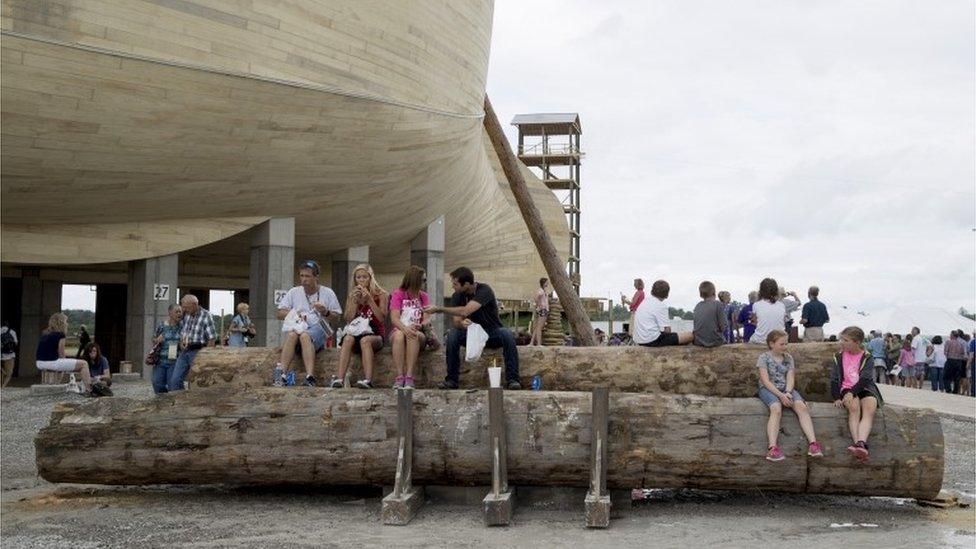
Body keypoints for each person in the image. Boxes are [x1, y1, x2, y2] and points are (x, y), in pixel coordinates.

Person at [425, 267, 521, 390]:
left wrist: (438, 309)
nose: (453, 287)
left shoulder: (484, 290)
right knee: (452, 334)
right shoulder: (457, 296)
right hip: (471, 335)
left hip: (491, 333)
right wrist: (462, 324)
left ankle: (513, 379)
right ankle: (451, 380)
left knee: (507, 334)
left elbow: (465, 310)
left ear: (466, 284)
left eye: (455, 284)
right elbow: (456, 322)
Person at [272, 260, 342, 387]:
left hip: (318, 331)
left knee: (305, 336)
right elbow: (279, 313)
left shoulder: (327, 293)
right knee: (292, 334)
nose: (304, 279)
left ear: (316, 277)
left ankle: (310, 376)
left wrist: (325, 312)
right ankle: (282, 374)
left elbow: (337, 317)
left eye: (307, 276)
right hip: (299, 328)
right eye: (301, 276)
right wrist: (294, 313)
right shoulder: (294, 292)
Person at [756, 330, 823, 461]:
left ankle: (813, 444)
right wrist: (781, 396)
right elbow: (765, 380)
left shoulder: (788, 358)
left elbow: (790, 377)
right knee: (776, 409)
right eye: (782, 344)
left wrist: (787, 392)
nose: (785, 347)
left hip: (786, 388)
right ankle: (772, 448)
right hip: (769, 389)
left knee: (802, 407)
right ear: (771, 344)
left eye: (786, 344)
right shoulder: (763, 357)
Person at [831, 326, 883, 462]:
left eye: (846, 340)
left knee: (870, 406)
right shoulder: (838, 356)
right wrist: (837, 396)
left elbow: (865, 378)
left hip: (864, 387)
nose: (842, 342)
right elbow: (834, 379)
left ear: (857, 342)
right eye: (842, 339)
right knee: (854, 408)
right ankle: (857, 443)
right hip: (847, 387)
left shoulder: (867, 357)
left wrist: (853, 393)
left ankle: (861, 442)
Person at [333, 264, 388, 389]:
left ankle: (368, 380)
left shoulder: (381, 294)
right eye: (358, 277)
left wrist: (369, 300)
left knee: (365, 341)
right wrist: (353, 302)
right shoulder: (353, 295)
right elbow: (348, 320)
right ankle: (339, 379)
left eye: (365, 277)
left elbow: (382, 318)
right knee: (347, 339)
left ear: (371, 278)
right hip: (356, 332)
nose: (362, 280)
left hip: (375, 333)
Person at [390, 266, 430, 389]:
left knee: (413, 335)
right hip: (401, 329)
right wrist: (405, 328)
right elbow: (394, 318)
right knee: (399, 335)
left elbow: (427, 318)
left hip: (418, 332)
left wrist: (419, 325)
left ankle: (409, 376)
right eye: (423, 280)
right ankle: (399, 376)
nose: (425, 283)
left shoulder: (423, 296)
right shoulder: (398, 294)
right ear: (415, 280)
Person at [35, 313, 93, 394]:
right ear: (61, 323)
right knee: (84, 364)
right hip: (51, 363)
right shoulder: (60, 335)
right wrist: (68, 366)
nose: (67, 323)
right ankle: (89, 390)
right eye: (66, 321)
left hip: (39, 362)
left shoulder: (45, 333)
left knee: (67, 364)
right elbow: (62, 355)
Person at [170, 294, 216, 392]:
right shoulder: (186, 315)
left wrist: (206, 357)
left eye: (186, 307)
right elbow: (181, 330)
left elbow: (212, 339)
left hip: (198, 352)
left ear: (195, 305)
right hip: (184, 351)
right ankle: (180, 402)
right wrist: (180, 342)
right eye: (183, 307)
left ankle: (196, 403)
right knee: (175, 380)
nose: (184, 310)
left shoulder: (206, 316)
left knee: (196, 381)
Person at [633, 280, 692, 347]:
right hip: (651, 341)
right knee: (689, 335)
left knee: (674, 335)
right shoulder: (661, 306)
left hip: (638, 340)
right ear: (667, 294)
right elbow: (667, 331)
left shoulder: (645, 301)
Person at [152, 304, 183, 394]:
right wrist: (157, 340)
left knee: (173, 385)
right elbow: (153, 339)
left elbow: (184, 345)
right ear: (170, 313)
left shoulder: (182, 327)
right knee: (157, 383)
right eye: (176, 311)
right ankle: (163, 402)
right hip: (161, 361)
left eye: (180, 312)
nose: (179, 314)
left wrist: (182, 344)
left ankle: (175, 403)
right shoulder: (162, 326)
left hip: (175, 362)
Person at [749, 278, 786, 344]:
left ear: (761, 291)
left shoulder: (756, 305)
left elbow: (755, 323)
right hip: (779, 339)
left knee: (751, 338)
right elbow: (783, 321)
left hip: (761, 340)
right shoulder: (781, 305)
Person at [693, 281, 727, 347]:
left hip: (698, 341)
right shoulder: (718, 304)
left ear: (700, 294)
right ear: (714, 292)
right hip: (715, 341)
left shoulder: (697, 306)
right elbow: (723, 328)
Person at [943, 330, 967, 394]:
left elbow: (945, 352)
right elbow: (964, 354)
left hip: (950, 360)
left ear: (952, 335)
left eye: (950, 334)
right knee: (957, 377)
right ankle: (955, 390)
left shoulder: (948, 342)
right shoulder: (961, 343)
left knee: (946, 376)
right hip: (959, 361)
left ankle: (948, 389)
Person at [531, 278, 550, 346]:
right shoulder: (541, 291)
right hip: (543, 310)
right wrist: (539, 304)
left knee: (537, 327)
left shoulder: (544, 290)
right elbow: (536, 297)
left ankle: (531, 343)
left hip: (543, 309)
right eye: (547, 282)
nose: (548, 283)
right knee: (539, 328)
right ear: (544, 283)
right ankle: (539, 344)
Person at [1, 320, 18, 388]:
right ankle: (3, 386)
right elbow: (16, 343)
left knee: (2, 371)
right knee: (9, 373)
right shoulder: (12, 332)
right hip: (9, 356)